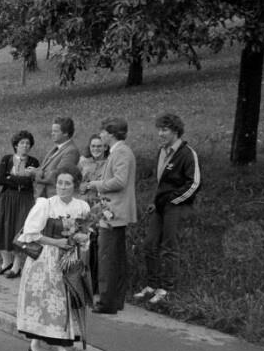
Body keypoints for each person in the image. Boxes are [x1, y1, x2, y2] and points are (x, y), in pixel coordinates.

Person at [16, 167, 92, 351]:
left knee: (63, 307)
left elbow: (87, 235)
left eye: (67, 183)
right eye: (60, 183)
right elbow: (30, 234)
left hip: (70, 262)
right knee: (54, 307)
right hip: (46, 262)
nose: (62, 187)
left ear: (75, 186)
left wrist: (82, 240)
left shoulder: (82, 207)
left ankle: (35, 346)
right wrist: (56, 242)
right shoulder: (46, 205)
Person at [134, 113, 201, 306]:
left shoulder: (187, 153)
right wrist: (156, 201)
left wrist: (173, 201)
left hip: (176, 206)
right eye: (159, 129)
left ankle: (167, 289)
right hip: (160, 206)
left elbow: (194, 183)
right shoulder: (162, 151)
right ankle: (152, 285)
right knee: (149, 244)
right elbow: (161, 183)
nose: (160, 134)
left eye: (164, 130)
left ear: (176, 131)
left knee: (169, 247)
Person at [82, 117, 137, 314]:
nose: (101, 135)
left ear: (112, 134)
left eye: (104, 132)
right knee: (114, 258)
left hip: (114, 212)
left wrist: (95, 184)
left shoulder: (121, 152)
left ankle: (107, 302)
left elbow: (120, 181)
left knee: (107, 258)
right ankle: (114, 300)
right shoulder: (118, 152)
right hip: (112, 211)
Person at [0, 130, 40, 279]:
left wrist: (11, 178)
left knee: (20, 230)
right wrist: (20, 180)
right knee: (3, 228)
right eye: (22, 143)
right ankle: (6, 263)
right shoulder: (7, 159)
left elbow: (29, 182)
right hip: (7, 198)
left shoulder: (34, 162)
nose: (25, 146)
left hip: (25, 199)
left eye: (28, 143)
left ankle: (16, 266)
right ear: (16, 145)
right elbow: (1, 180)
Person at [78, 133, 110, 290]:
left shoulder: (109, 163)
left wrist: (93, 185)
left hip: (101, 207)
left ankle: (96, 283)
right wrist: (81, 187)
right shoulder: (83, 162)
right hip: (84, 206)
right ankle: (83, 279)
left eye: (99, 146)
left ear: (105, 147)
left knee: (98, 244)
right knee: (84, 243)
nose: (96, 149)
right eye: (93, 146)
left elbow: (109, 184)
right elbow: (76, 182)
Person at [31, 117, 80, 198]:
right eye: (52, 131)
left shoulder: (71, 151)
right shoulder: (56, 148)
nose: (52, 134)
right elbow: (46, 169)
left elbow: (58, 175)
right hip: (44, 196)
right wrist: (34, 170)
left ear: (65, 133)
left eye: (55, 131)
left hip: (55, 196)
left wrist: (35, 173)